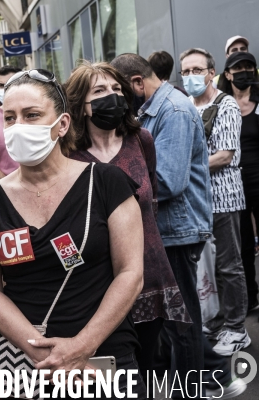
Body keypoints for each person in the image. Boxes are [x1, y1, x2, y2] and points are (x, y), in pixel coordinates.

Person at [0, 68, 146, 398]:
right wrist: (40, 351)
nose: (18, 126)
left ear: (62, 124)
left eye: (32, 115)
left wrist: (83, 345)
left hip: (103, 357)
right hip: (23, 364)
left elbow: (131, 273)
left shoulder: (107, 183)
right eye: (9, 118)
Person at [112, 53, 245, 398]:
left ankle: (197, 387)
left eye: (119, 89)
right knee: (173, 315)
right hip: (166, 228)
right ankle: (216, 376)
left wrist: (115, 186)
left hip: (177, 229)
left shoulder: (172, 111)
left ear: (138, 83)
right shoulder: (155, 108)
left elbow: (169, 180)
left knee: (180, 317)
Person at [65, 61, 191, 379]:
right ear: (82, 105)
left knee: (147, 370)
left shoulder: (142, 140)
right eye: (100, 91)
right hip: (97, 289)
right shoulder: (67, 156)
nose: (113, 96)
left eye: (116, 89)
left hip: (149, 275)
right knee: (112, 375)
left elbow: (152, 198)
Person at [180, 48, 250, 356]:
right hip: (196, 201)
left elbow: (224, 155)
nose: (191, 76)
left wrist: (181, 168)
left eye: (197, 70)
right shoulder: (186, 107)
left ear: (212, 73)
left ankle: (237, 328)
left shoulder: (227, 105)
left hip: (223, 197)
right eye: (185, 71)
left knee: (229, 265)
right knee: (204, 268)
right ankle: (218, 320)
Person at [217, 51, 259, 314]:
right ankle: (250, 299)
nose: (243, 72)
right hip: (234, 188)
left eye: (248, 67)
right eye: (238, 68)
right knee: (242, 247)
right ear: (228, 74)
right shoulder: (223, 105)